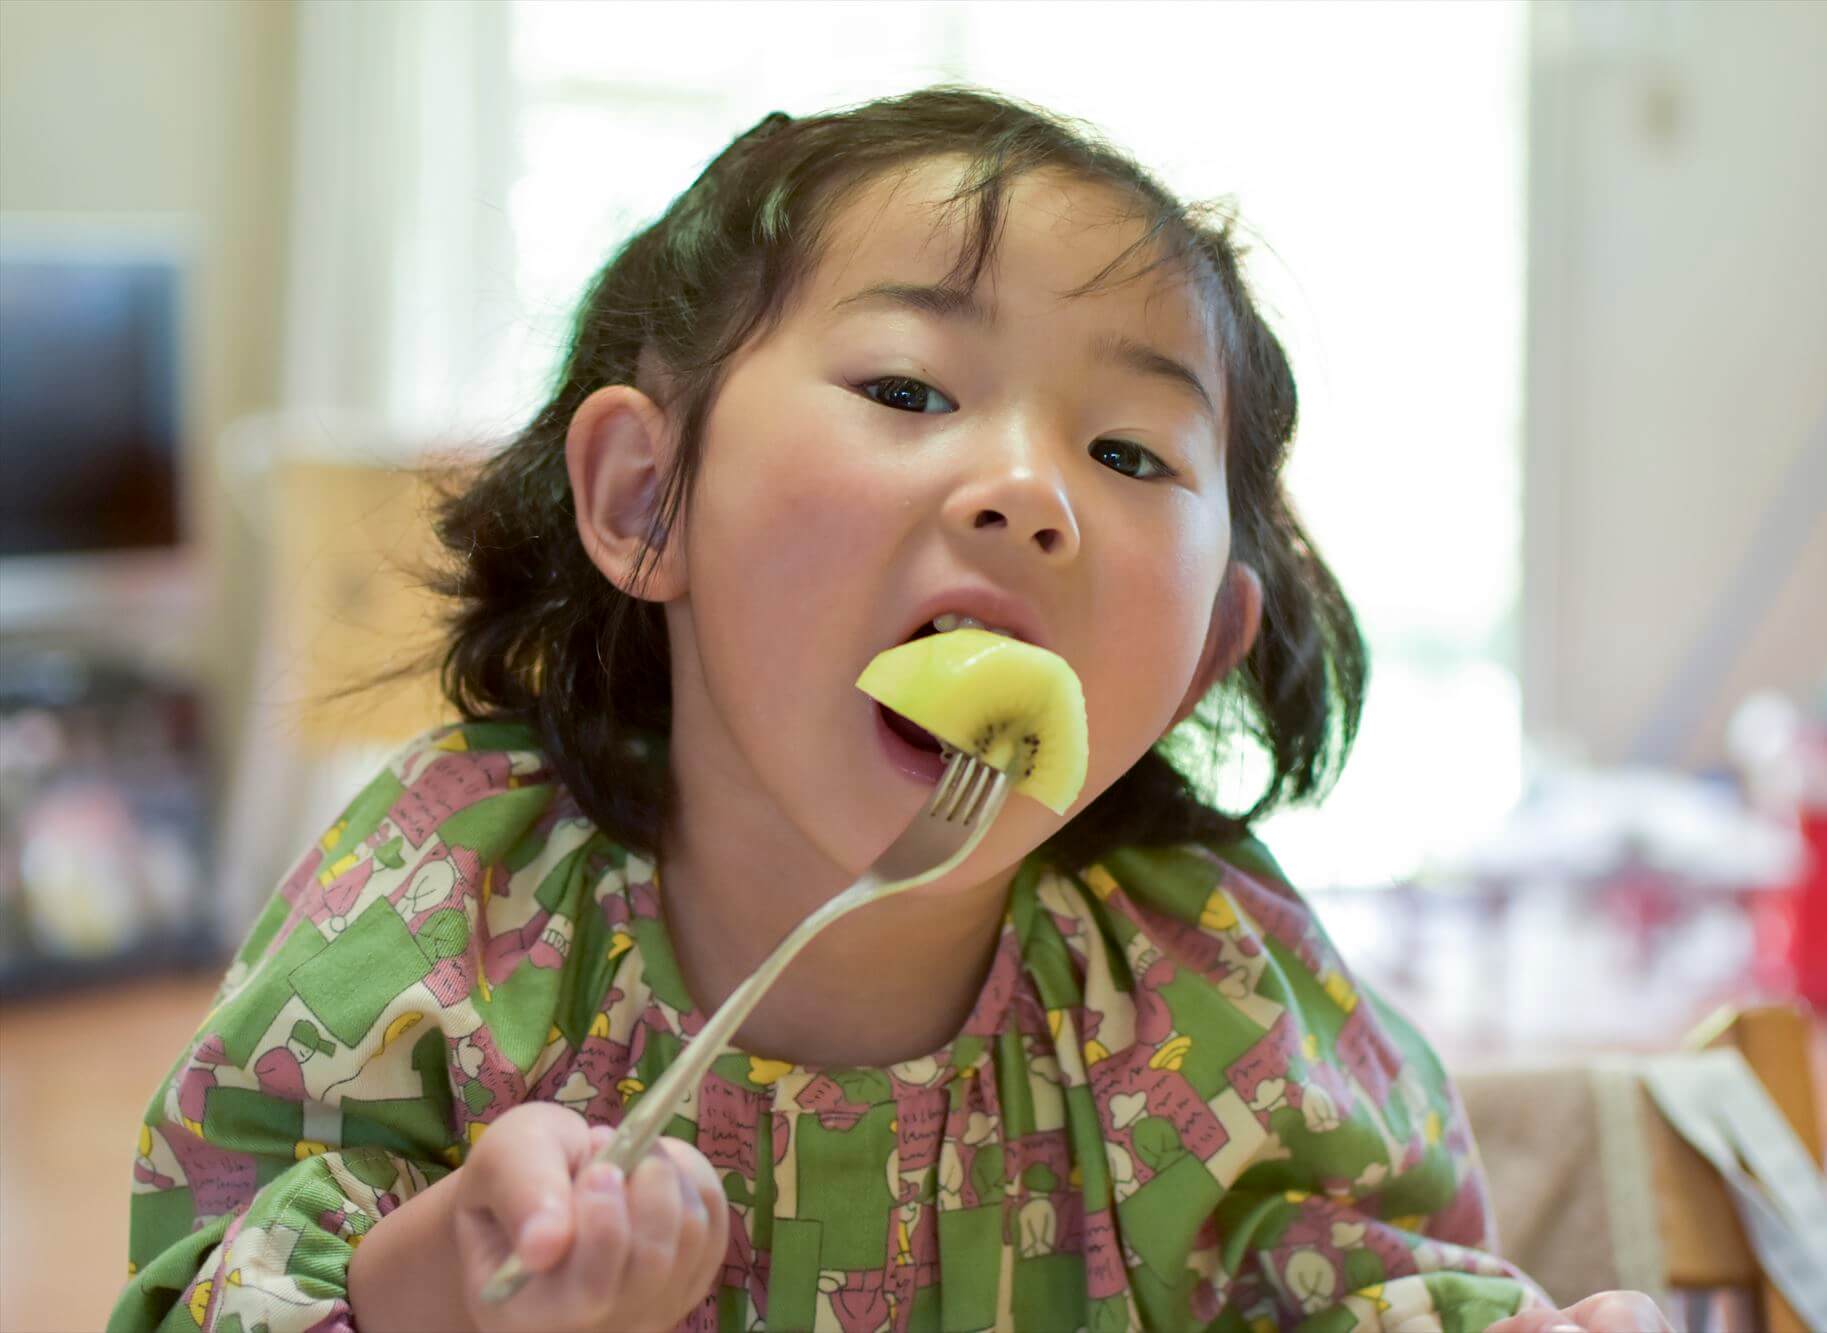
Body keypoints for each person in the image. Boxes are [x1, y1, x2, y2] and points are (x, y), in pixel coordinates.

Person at [112, 88, 1669, 1333]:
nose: (1029, 493)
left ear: (1201, 653)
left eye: (1130, 454)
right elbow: (206, 1274)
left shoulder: (1209, 1001)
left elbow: (1350, 1277)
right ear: (650, 497)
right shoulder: (449, 906)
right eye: (912, 391)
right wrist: (442, 1284)